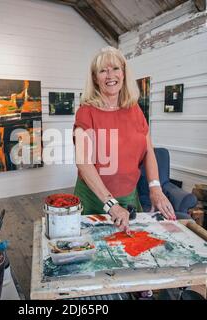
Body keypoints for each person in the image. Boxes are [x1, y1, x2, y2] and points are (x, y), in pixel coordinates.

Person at [73, 46, 176, 233]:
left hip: (129, 197)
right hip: (94, 199)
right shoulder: (85, 112)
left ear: (124, 74)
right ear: (95, 79)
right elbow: (83, 163)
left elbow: (148, 151)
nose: (110, 75)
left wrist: (155, 188)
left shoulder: (135, 110)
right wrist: (111, 204)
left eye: (115, 69)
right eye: (103, 71)